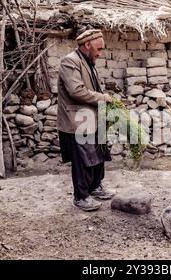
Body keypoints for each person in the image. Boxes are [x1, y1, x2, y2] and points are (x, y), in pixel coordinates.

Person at [57, 29, 115, 211]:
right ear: (87, 45)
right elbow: (77, 91)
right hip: (77, 120)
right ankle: (81, 197)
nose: (100, 53)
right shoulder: (70, 62)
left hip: (92, 118)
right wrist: (103, 98)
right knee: (83, 159)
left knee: (99, 154)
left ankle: (96, 187)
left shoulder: (88, 62)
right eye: (98, 49)